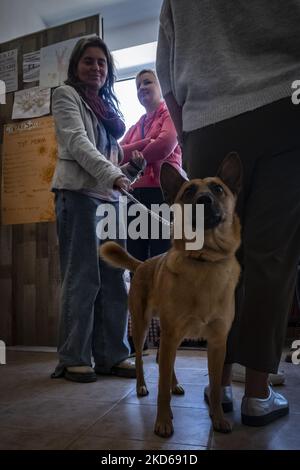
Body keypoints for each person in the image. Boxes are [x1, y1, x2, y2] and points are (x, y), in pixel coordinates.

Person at [156, 0, 300, 426]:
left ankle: (217, 387)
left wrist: (190, 131)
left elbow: (166, 65)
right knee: (272, 259)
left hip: (205, 118)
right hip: (285, 105)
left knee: (205, 260)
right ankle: (257, 394)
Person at [51, 36, 142, 383]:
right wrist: (113, 173)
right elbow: (76, 142)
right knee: (83, 277)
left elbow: (108, 160)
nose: (96, 67)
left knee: (114, 280)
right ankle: (74, 356)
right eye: (88, 61)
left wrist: (128, 170)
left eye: (102, 62)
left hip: (107, 201)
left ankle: (113, 355)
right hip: (77, 195)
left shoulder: (106, 112)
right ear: (76, 65)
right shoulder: (65, 95)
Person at [120, 69, 181, 352]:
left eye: (148, 82)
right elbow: (118, 153)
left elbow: (167, 143)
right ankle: (139, 339)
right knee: (136, 269)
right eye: (138, 84)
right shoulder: (136, 125)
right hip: (135, 199)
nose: (142, 87)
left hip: (163, 197)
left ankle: (167, 337)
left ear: (160, 86)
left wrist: (138, 151)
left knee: (163, 268)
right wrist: (147, 143)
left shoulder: (169, 113)